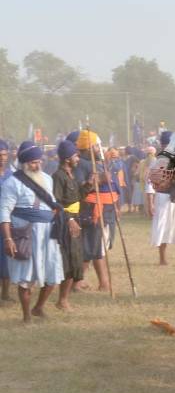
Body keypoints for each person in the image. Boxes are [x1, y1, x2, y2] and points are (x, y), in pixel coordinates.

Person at [0, 141, 64, 322]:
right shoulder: (12, 183)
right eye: (34, 162)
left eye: (39, 161)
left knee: (53, 275)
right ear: (25, 163)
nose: (38, 165)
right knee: (25, 277)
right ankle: (26, 315)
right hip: (25, 234)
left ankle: (39, 308)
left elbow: (52, 204)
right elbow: (4, 212)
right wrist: (8, 239)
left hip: (48, 233)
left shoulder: (48, 179)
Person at [74, 130, 118, 292]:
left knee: (97, 247)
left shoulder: (97, 162)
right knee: (90, 247)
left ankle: (103, 282)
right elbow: (80, 187)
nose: (99, 148)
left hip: (105, 210)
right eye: (96, 146)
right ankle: (77, 282)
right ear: (88, 147)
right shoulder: (81, 164)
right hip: (91, 211)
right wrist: (100, 179)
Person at [146, 132, 175, 266]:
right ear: (162, 145)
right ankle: (162, 259)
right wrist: (150, 203)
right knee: (163, 227)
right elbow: (150, 183)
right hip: (162, 197)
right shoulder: (157, 161)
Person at [52, 140, 85, 309]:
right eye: (75, 155)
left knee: (76, 259)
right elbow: (56, 203)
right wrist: (69, 219)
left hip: (75, 220)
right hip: (65, 223)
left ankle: (64, 299)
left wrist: (91, 184)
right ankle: (62, 300)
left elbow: (77, 197)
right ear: (67, 159)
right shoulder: (58, 177)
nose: (78, 158)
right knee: (68, 261)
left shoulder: (72, 174)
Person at [0, 139, 14, 304]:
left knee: (6, 258)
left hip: (7, 223)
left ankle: (5, 294)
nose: (2, 158)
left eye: (4, 154)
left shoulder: (12, 174)